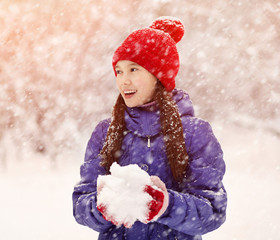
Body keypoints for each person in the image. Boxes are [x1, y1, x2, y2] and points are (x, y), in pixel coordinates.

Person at [72, 16, 227, 240]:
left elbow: (213, 210)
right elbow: (80, 203)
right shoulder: (105, 132)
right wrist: (101, 206)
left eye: (133, 70)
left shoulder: (195, 134)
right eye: (119, 71)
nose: (123, 81)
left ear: (159, 76)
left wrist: (167, 205)